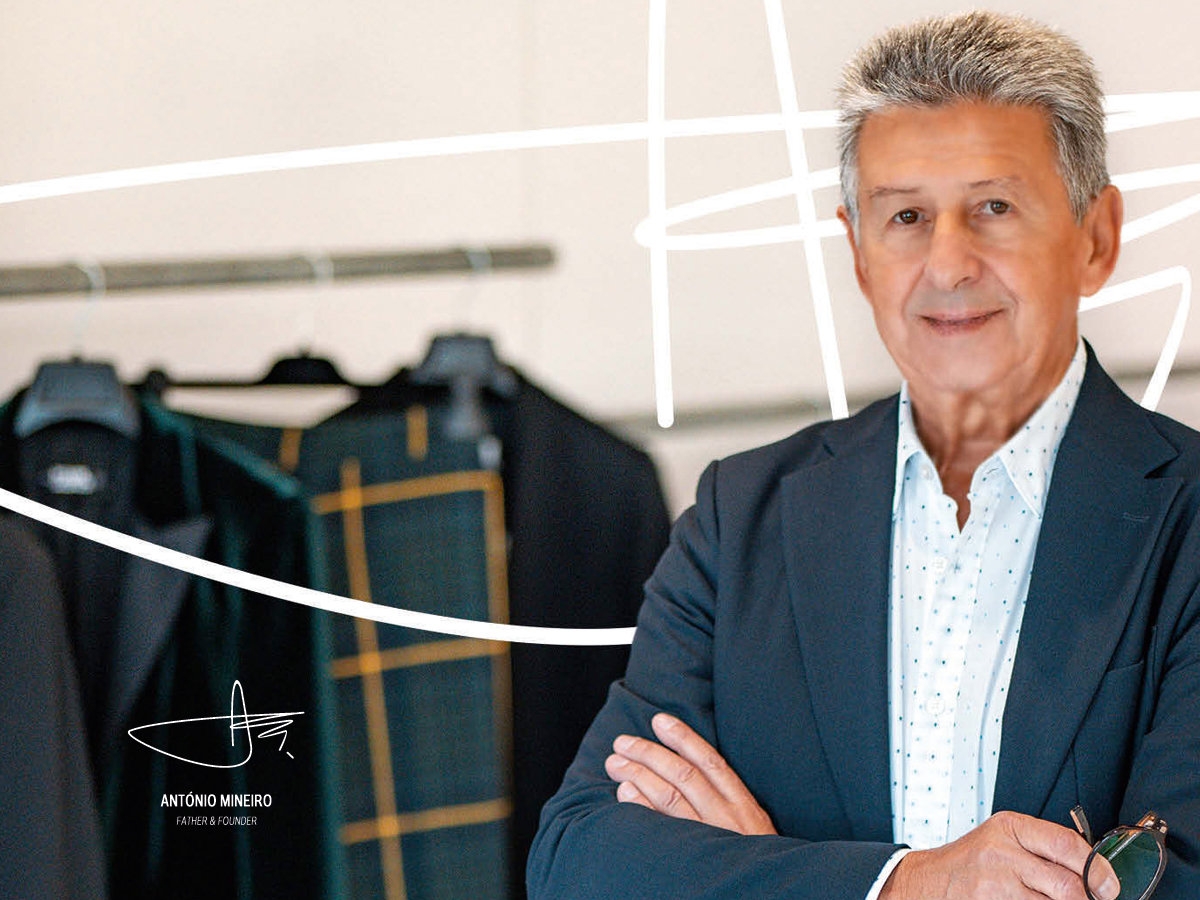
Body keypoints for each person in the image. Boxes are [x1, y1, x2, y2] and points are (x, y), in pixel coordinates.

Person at [526, 10, 1200, 900]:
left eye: (995, 208)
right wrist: (901, 884)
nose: (948, 265)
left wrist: (758, 870)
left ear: (1096, 237)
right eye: (906, 216)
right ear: (857, 251)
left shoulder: (1190, 521)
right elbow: (580, 859)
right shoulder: (740, 519)